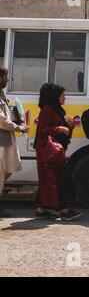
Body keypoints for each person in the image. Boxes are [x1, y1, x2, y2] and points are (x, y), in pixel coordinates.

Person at [34, 83, 82, 220]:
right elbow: (43, 131)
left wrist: (69, 126)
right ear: (54, 96)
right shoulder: (48, 110)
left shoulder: (57, 110)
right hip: (49, 151)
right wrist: (59, 128)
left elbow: (63, 133)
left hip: (54, 150)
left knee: (47, 180)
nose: (65, 97)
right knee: (61, 179)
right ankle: (65, 211)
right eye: (62, 95)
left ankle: (41, 209)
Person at [0, 68, 29, 218]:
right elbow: (1, 120)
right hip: (1, 141)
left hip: (6, 140)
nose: (7, 80)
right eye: (5, 77)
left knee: (6, 171)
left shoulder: (2, 96)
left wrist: (16, 118)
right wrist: (18, 127)